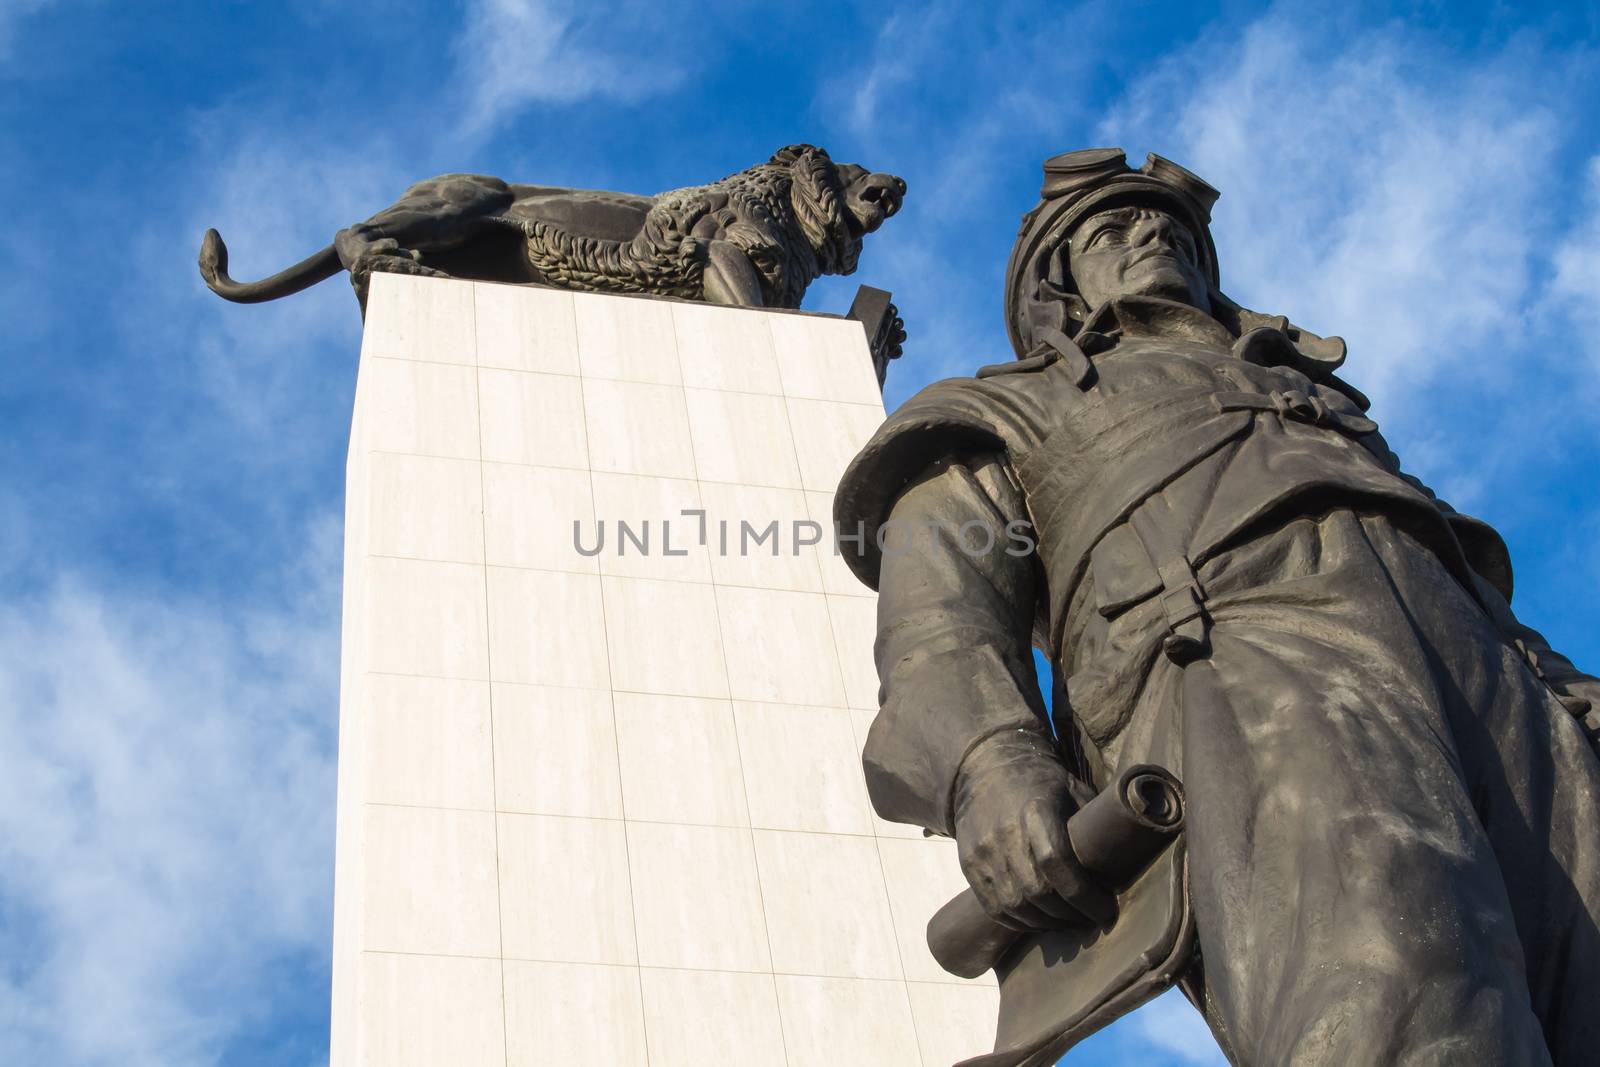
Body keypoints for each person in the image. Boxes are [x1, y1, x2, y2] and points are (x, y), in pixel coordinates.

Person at [834, 148, 1600, 1065]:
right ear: (1060, 286)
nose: (1152, 234)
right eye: (1111, 230)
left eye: (1171, 228)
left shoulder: (1307, 394)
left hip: (1502, 695)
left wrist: (1563, 686)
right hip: (1250, 674)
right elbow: (939, 623)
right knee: (1407, 988)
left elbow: (1445, 561)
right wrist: (989, 761)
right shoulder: (1003, 412)